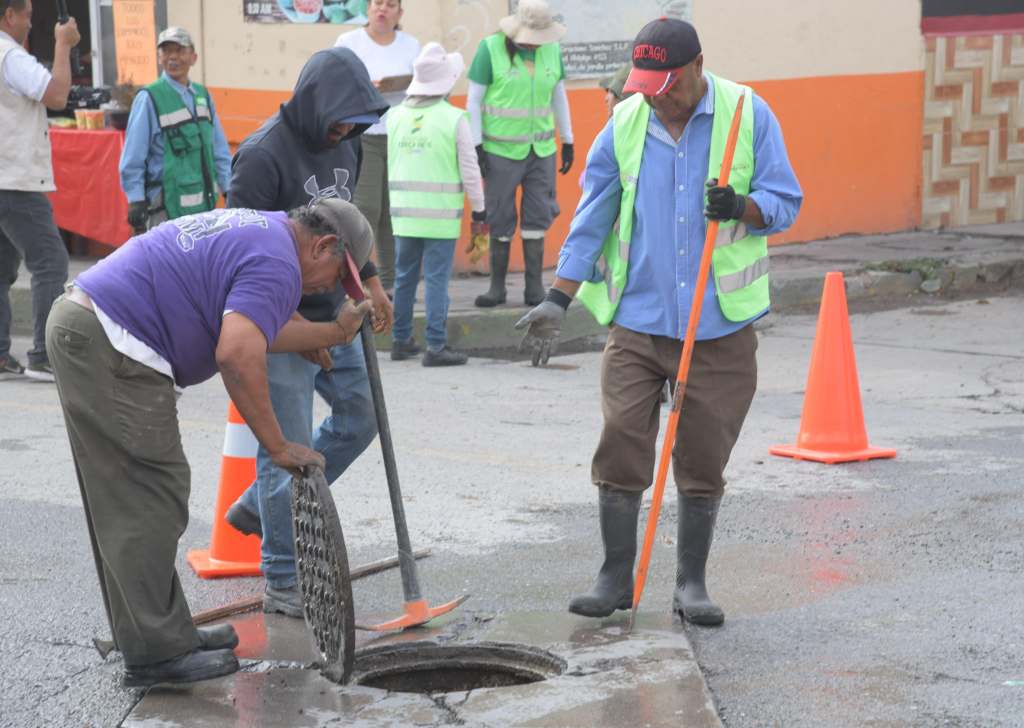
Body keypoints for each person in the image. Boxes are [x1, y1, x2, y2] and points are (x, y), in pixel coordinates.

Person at [516, 18, 803, 626]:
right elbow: (594, 216)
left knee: (702, 455)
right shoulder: (626, 120)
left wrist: (743, 207)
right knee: (620, 438)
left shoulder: (748, 113)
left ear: (698, 66)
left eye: (666, 84)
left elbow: (786, 202)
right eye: (646, 84)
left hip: (717, 327)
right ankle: (614, 576)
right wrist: (557, 298)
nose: (655, 95)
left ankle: (691, 584)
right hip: (639, 322)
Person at [46, 199, 376, 687]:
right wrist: (279, 446)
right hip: (111, 343)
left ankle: (162, 633)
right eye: (336, 276)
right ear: (323, 245)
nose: (332, 288)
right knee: (148, 497)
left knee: (135, 498)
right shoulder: (278, 262)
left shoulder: (266, 235)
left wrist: (332, 331)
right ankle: (157, 656)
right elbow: (238, 353)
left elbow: (258, 326)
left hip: (91, 327)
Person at [225, 47, 393, 618]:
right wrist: (297, 329)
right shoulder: (262, 156)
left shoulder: (347, 141)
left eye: (357, 119)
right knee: (284, 448)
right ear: (316, 102)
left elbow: (344, 225)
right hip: (274, 318)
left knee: (362, 415)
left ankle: (257, 507)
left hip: (334, 304)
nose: (348, 129)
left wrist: (368, 281)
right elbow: (238, 251)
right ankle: (282, 576)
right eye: (341, 117)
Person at [467, 0, 574, 308]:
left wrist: (567, 140)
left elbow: (558, 95)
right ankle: (496, 288)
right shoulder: (489, 49)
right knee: (499, 218)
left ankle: (534, 289)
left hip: (541, 150)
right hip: (499, 151)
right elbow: (474, 101)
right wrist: (476, 145)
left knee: (537, 217)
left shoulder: (551, 49)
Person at [387, 43, 485, 367]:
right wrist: (480, 209)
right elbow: (470, 169)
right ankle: (436, 346)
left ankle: (400, 340)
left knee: (404, 278)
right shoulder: (454, 118)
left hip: (403, 216)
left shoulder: (395, 117)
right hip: (440, 217)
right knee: (436, 280)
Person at [0, 0, 77, 382]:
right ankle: (44, 356)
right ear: (9, 16)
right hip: (15, 179)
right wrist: (63, 44)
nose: (31, 24)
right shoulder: (11, 56)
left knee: (1, 269)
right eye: (27, 16)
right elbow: (57, 94)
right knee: (51, 262)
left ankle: (0, 354)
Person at [336, 0, 420, 295]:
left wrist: (405, 84)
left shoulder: (411, 45)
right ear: (368, 9)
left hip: (401, 135)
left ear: (400, 13)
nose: (382, 9)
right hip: (363, 132)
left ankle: (388, 285)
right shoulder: (349, 42)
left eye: (390, 4)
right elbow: (337, 80)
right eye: (377, 3)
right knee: (366, 207)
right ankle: (358, 280)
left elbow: (423, 85)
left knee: (393, 212)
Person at [119, 27, 232, 233]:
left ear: (193, 57)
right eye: (166, 51)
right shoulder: (150, 98)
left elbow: (219, 150)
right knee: (165, 264)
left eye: (179, 50)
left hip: (204, 206)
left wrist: (229, 188)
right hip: (165, 206)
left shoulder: (202, 96)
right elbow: (133, 156)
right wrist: (135, 199)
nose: (172, 57)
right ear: (159, 57)